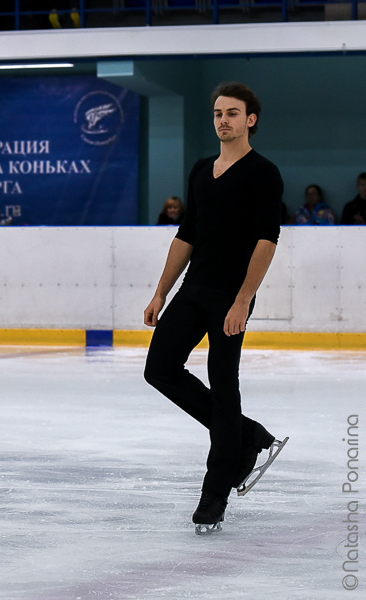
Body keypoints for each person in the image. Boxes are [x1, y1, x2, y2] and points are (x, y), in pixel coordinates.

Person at [143, 82, 288, 535]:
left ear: (251, 120)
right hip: (194, 289)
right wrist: (161, 292)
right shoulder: (203, 170)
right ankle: (248, 437)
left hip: (232, 294)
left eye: (232, 113)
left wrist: (243, 299)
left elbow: (268, 241)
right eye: (217, 113)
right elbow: (187, 234)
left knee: (224, 386)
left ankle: (215, 493)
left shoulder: (264, 173)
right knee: (159, 367)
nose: (223, 120)